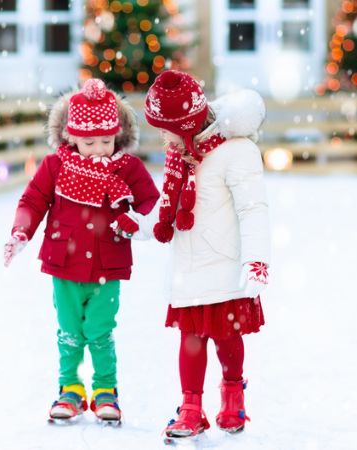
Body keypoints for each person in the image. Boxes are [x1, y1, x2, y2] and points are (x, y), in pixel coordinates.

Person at [3, 78, 159, 424]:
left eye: (107, 140)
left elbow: (151, 202)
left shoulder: (127, 168)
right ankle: (70, 388)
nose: (100, 148)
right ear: (71, 136)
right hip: (64, 263)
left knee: (101, 330)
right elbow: (33, 200)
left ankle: (105, 389)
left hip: (109, 262)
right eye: (89, 142)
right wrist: (21, 231)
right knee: (70, 330)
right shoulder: (56, 167)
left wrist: (136, 219)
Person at [131, 70, 270, 440]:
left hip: (225, 267)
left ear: (187, 124)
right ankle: (191, 407)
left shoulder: (236, 152)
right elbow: (167, 205)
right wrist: (140, 227)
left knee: (227, 337)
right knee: (190, 340)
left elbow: (252, 208)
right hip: (188, 269)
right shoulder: (180, 157)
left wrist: (256, 260)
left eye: (165, 128)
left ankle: (233, 394)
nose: (161, 136)